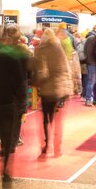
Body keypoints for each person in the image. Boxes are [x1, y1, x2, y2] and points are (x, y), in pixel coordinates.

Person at [0, 25, 29, 181]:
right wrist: (22, 101)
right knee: (9, 134)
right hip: (11, 101)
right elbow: (20, 81)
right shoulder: (17, 57)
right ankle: (6, 168)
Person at [31, 28, 72, 156]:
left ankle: (46, 144)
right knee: (58, 119)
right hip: (61, 89)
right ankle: (57, 147)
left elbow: (42, 71)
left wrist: (37, 82)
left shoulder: (42, 50)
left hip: (48, 89)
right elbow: (66, 68)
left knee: (46, 118)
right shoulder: (59, 49)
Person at [55, 25, 80, 98]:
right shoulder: (71, 37)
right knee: (70, 76)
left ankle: (64, 93)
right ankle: (70, 91)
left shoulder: (58, 37)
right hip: (69, 59)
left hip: (61, 60)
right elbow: (74, 48)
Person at [83, 25, 96, 106]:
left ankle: (91, 98)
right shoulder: (95, 39)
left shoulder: (90, 38)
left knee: (92, 81)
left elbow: (85, 50)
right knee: (92, 81)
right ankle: (89, 99)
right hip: (93, 63)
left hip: (90, 63)